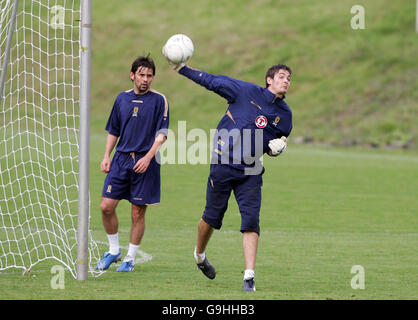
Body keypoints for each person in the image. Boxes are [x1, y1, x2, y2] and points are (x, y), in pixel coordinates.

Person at [166, 59, 292, 291]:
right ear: (269, 79)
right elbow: (212, 82)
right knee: (211, 218)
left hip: (251, 170)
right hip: (223, 163)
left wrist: (276, 150)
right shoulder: (245, 91)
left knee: (251, 220)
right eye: (282, 76)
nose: (286, 81)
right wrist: (183, 69)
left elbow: (277, 142)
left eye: (289, 78)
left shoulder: (285, 115)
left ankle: (249, 278)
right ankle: (199, 255)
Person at [96, 55, 169, 272]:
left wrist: (148, 157)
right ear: (132, 75)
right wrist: (106, 155)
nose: (145, 79)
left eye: (149, 75)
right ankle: (113, 250)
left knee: (137, 211)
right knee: (106, 207)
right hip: (121, 160)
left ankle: (129, 258)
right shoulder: (121, 99)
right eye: (141, 75)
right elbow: (114, 130)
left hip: (146, 161)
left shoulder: (159, 100)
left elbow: (162, 134)